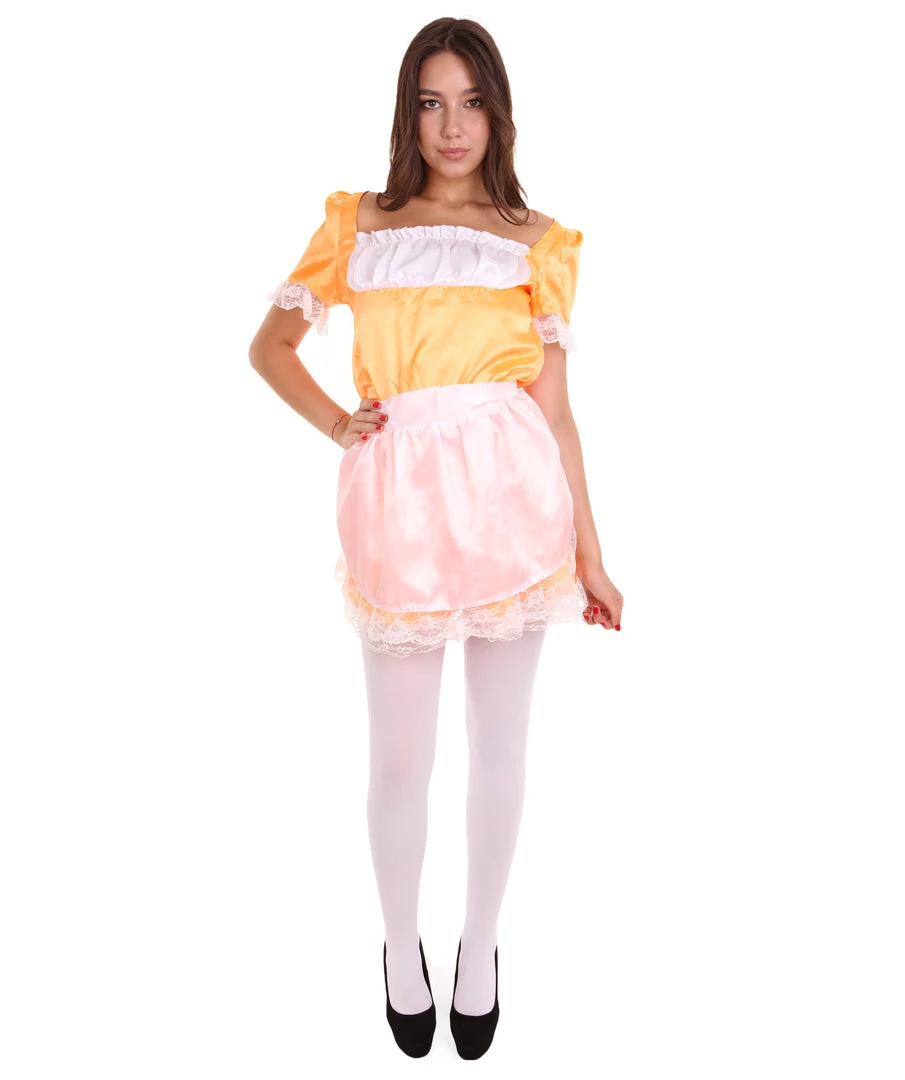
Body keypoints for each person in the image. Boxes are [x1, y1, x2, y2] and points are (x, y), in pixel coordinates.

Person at [248, 16, 624, 1060]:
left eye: (470, 102)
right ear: (405, 113)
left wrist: (591, 554)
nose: (451, 125)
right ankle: (400, 946)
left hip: (514, 498)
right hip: (399, 506)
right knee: (399, 755)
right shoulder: (359, 225)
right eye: (429, 101)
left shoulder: (536, 241)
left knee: (500, 745)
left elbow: (554, 412)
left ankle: (480, 946)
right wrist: (340, 424)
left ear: (497, 113)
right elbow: (269, 345)